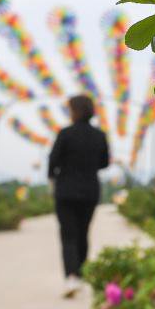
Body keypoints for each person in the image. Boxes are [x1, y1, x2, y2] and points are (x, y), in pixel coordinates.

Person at [48, 94, 110, 297]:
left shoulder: (65, 134)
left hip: (65, 191)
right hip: (89, 191)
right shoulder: (99, 135)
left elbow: (53, 160)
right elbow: (104, 163)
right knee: (83, 233)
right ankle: (80, 274)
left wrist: (52, 178)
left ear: (75, 111)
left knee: (68, 235)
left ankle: (71, 276)